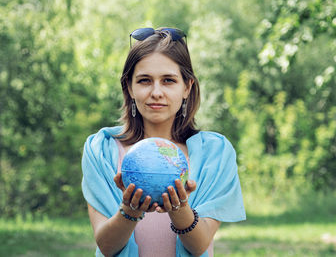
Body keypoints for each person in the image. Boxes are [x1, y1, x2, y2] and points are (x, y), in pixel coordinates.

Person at [81, 27, 246, 257]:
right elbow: (106, 247)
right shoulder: (101, 149)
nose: (156, 92)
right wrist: (129, 210)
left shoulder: (215, 154)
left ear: (187, 87)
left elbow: (199, 246)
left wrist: (180, 208)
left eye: (168, 80)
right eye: (144, 80)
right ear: (129, 87)